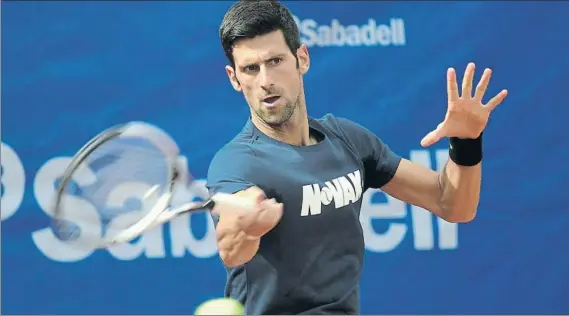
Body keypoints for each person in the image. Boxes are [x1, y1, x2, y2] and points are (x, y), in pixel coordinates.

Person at [206, 1, 508, 315]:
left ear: (302, 59)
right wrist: (247, 227)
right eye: (250, 69)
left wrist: (467, 142)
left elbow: (452, 203)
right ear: (234, 78)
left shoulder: (347, 139)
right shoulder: (237, 163)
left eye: (276, 60)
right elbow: (231, 248)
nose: (265, 79)